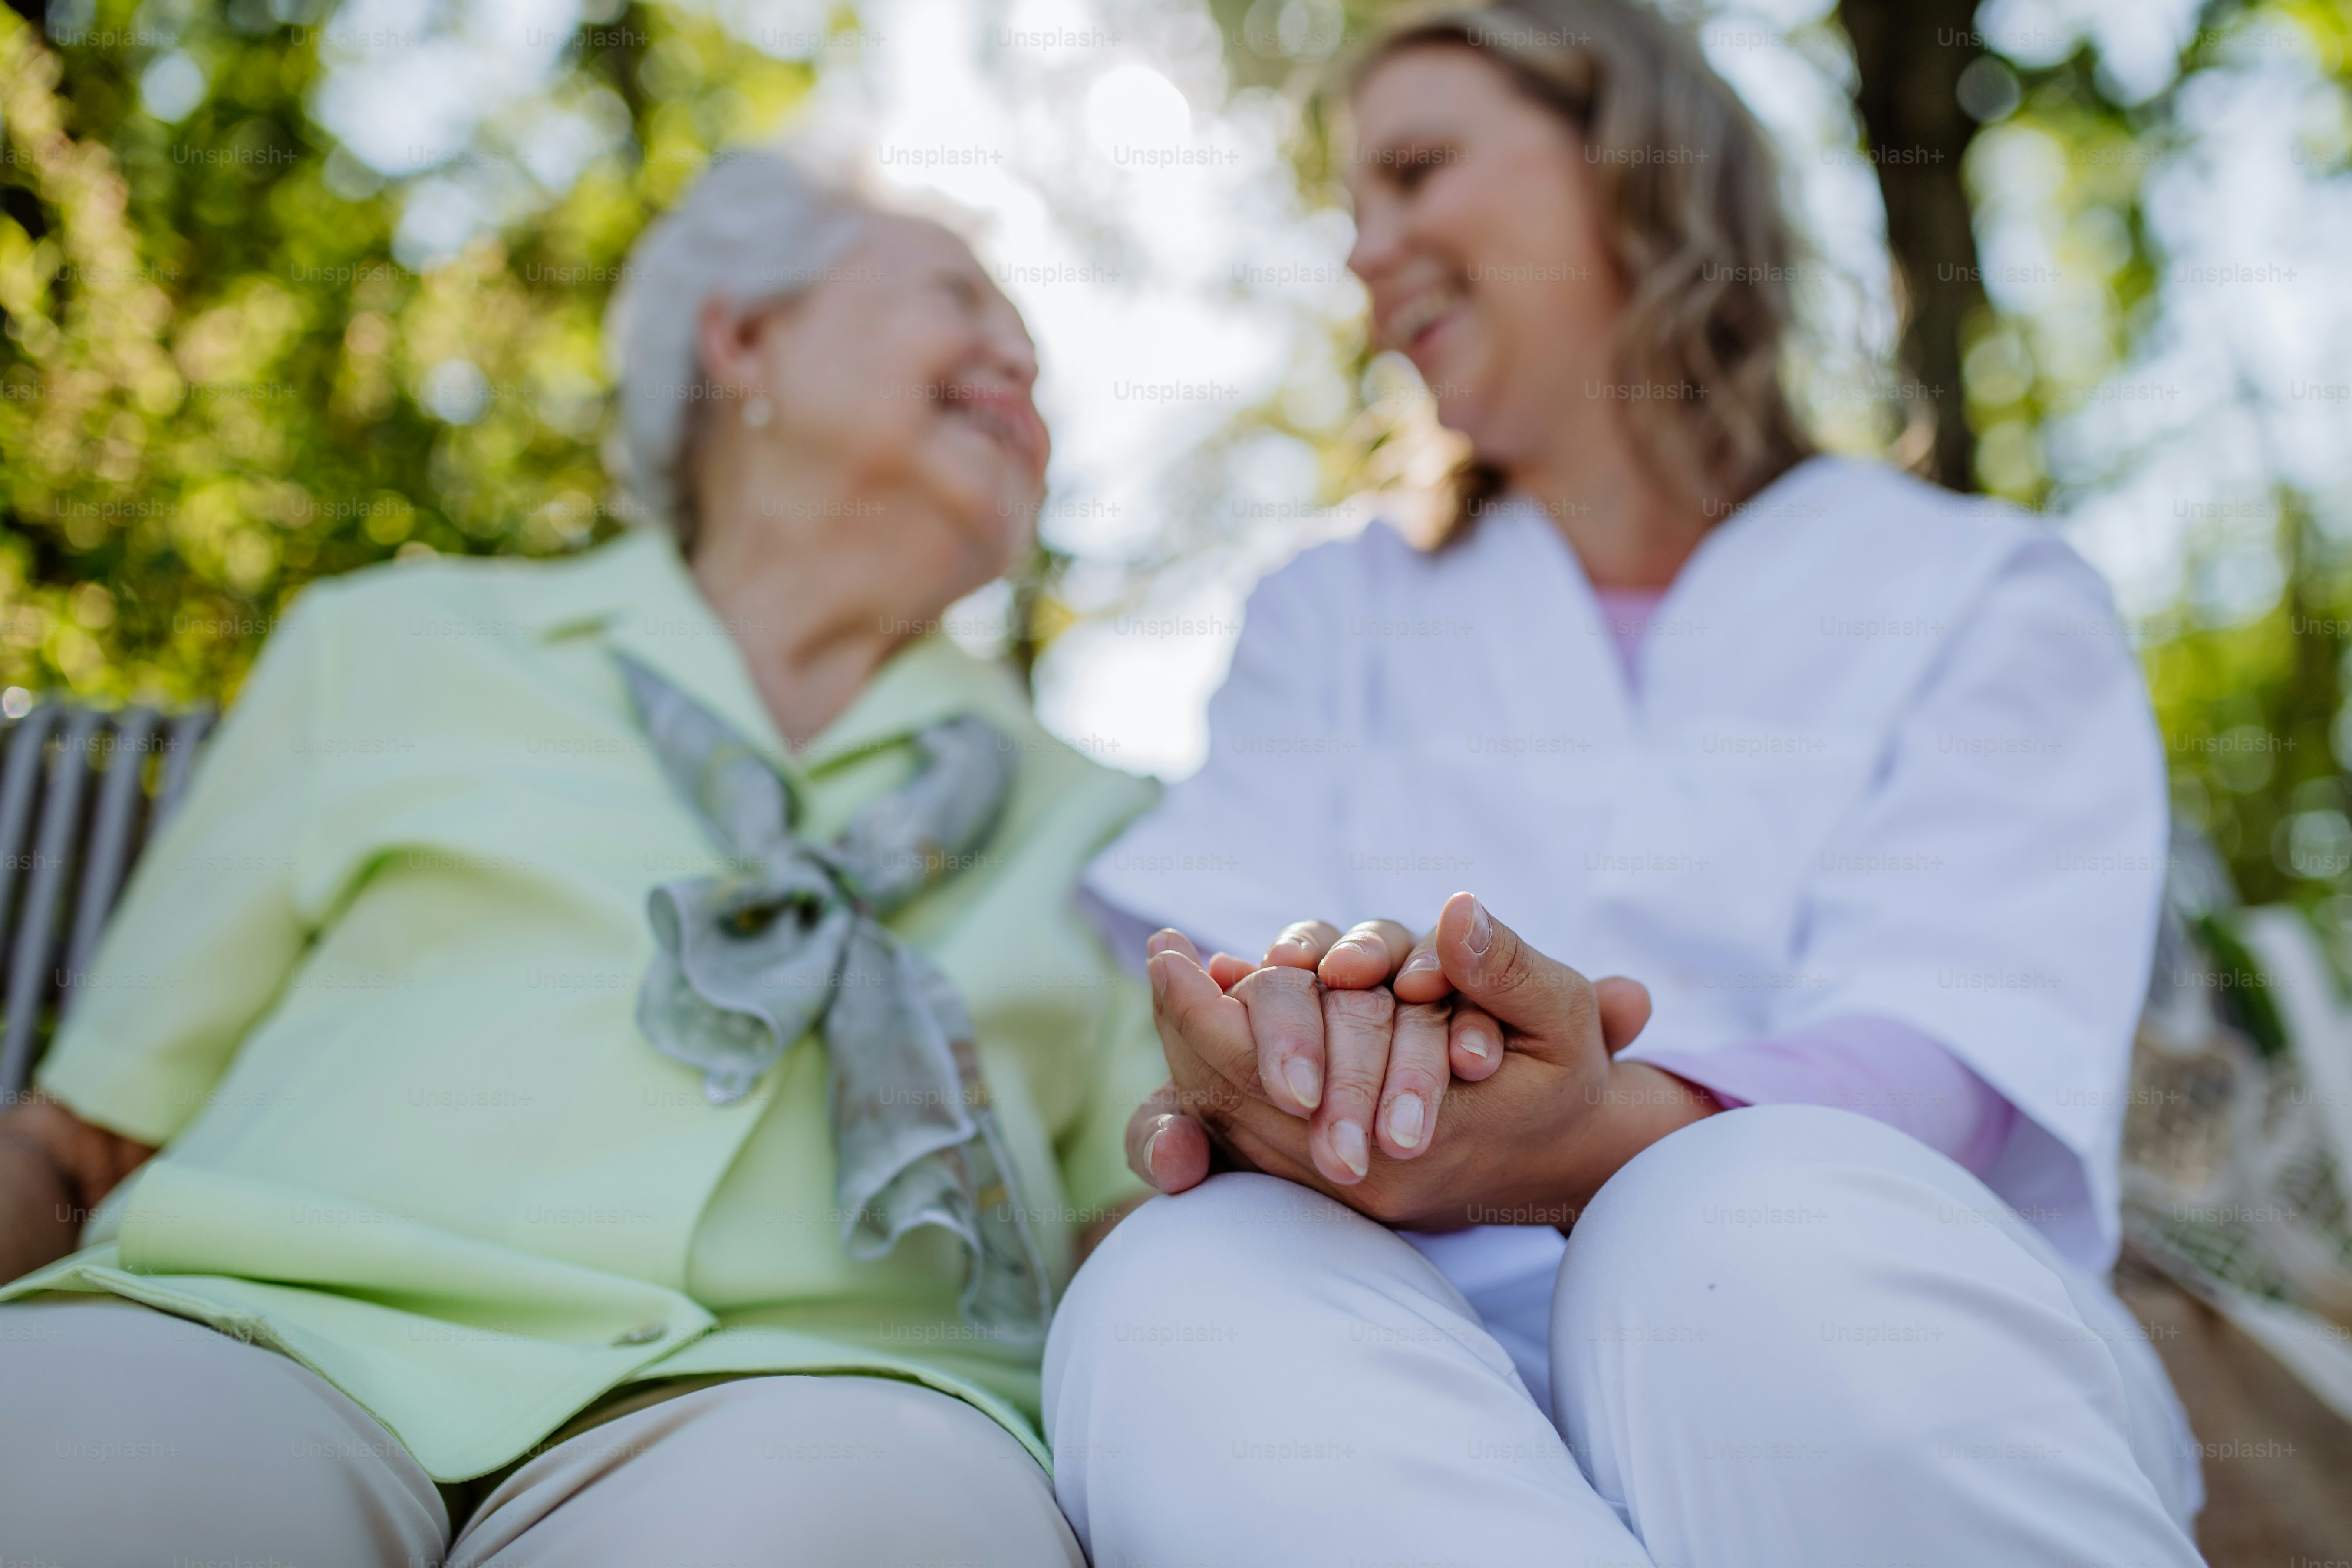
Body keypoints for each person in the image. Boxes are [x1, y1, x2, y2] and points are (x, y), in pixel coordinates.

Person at [1051, 2, 2210, 1563]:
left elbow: (1950, 1034)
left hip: (1886, 1322)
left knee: (1723, 1229)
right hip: (1417, 1338)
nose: (1366, 254)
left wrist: (1593, 1127)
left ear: (1631, 160)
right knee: (1174, 1296)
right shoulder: (1326, 622)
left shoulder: (1979, 588)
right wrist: (1283, 1056)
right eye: (1353, 207)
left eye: (1415, 169)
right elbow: (1238, 967)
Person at [0, 149, 1164, 1566]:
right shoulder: (392, 648)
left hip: (821, 1405)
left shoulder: (1106, 815)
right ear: (743, 340)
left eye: (1034, 357)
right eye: (956, 300)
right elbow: (77, 1138)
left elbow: (1146, 1220)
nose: (1017, 363)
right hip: (254, 1327)